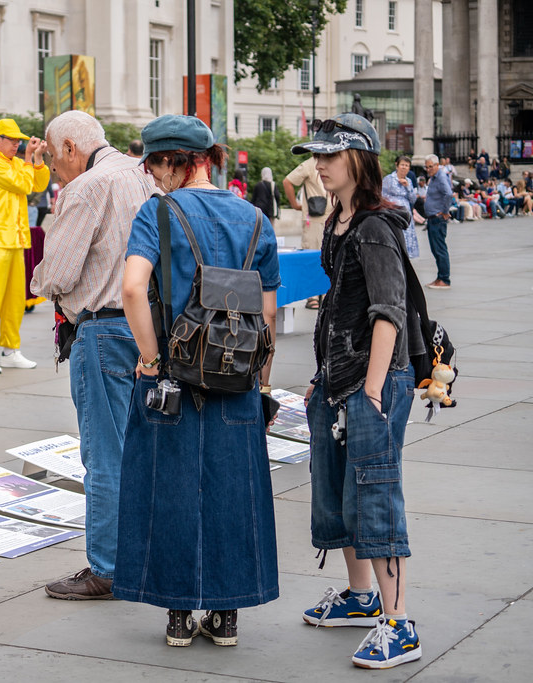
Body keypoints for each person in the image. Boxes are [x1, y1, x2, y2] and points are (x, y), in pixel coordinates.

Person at [114, 114, 280, 648]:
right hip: (238, 377)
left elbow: (133, 290)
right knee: (234, 491)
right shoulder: (255, 218)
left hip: (174, 375)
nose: (151, 175)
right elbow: (267, 315)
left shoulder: (158, 213)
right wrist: (261, 386)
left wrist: (149, 359)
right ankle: (226, 616)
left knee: (170, 489)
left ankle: (179, 615)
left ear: (177, 162)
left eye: (154, 165)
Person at [291, 112, 422, 670]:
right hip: (339, 380)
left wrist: (370, 391)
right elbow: (339, 306)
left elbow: (389, 311)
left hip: (375, 380)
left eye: (330, 156)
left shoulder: (374, 227)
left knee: (374, 495)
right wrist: (323, 379)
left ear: (359, 160)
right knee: (339, 493)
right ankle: (361, 596)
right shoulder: (338, 222)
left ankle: (399, 624)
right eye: (316, 156)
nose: (319, 165)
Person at [30, 111, 156, 600]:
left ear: (69, 147)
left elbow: (57, 274)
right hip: (148, 329)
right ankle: (143, 556)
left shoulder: (86, 187)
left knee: (105, 455)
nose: (52, 167)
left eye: (52, 155)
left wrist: (41, 281)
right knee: (144, 451)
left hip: (104, 329)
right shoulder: (141, 174)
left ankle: (108, 566)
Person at [0, 119, 49, 374]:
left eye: (19, 140)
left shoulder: (16, 163)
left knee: (15, 300)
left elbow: (39, 184)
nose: (17, 144)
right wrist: (28, 159)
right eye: (13, 140)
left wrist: (38, 159)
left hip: (15, 239)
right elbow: (24, 185)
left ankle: (10, 350)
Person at [284, 154, 334, 309]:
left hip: (331, 216)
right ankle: (312, 295)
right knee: (313, 256)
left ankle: (325, 293)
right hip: (314, 218)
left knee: (329, 257)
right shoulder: (309, 164)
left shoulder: (333, 162)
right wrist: (295, 204)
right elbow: (288, 181)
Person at [422, 154, 453, 289]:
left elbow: (448, 194)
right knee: (436, 249)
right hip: (433, 218)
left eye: (430, 166)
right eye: (426, 167)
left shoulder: (440, 177)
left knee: (439, 249)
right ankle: (440, 277)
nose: (428, 169)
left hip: (437, 219)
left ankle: (444, 279)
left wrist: (445, 211)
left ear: (437, 165)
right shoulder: (434, 178)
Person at [381, 155, 420, 258]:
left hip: (406, 215)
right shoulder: (389, 179)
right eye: (402, 165)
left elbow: (413, 199)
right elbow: (382, 196)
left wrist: (407, 187)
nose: (404, 167)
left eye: (407, 165)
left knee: (406, 239)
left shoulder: (409, 181)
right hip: (393, 213)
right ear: (397, 165)